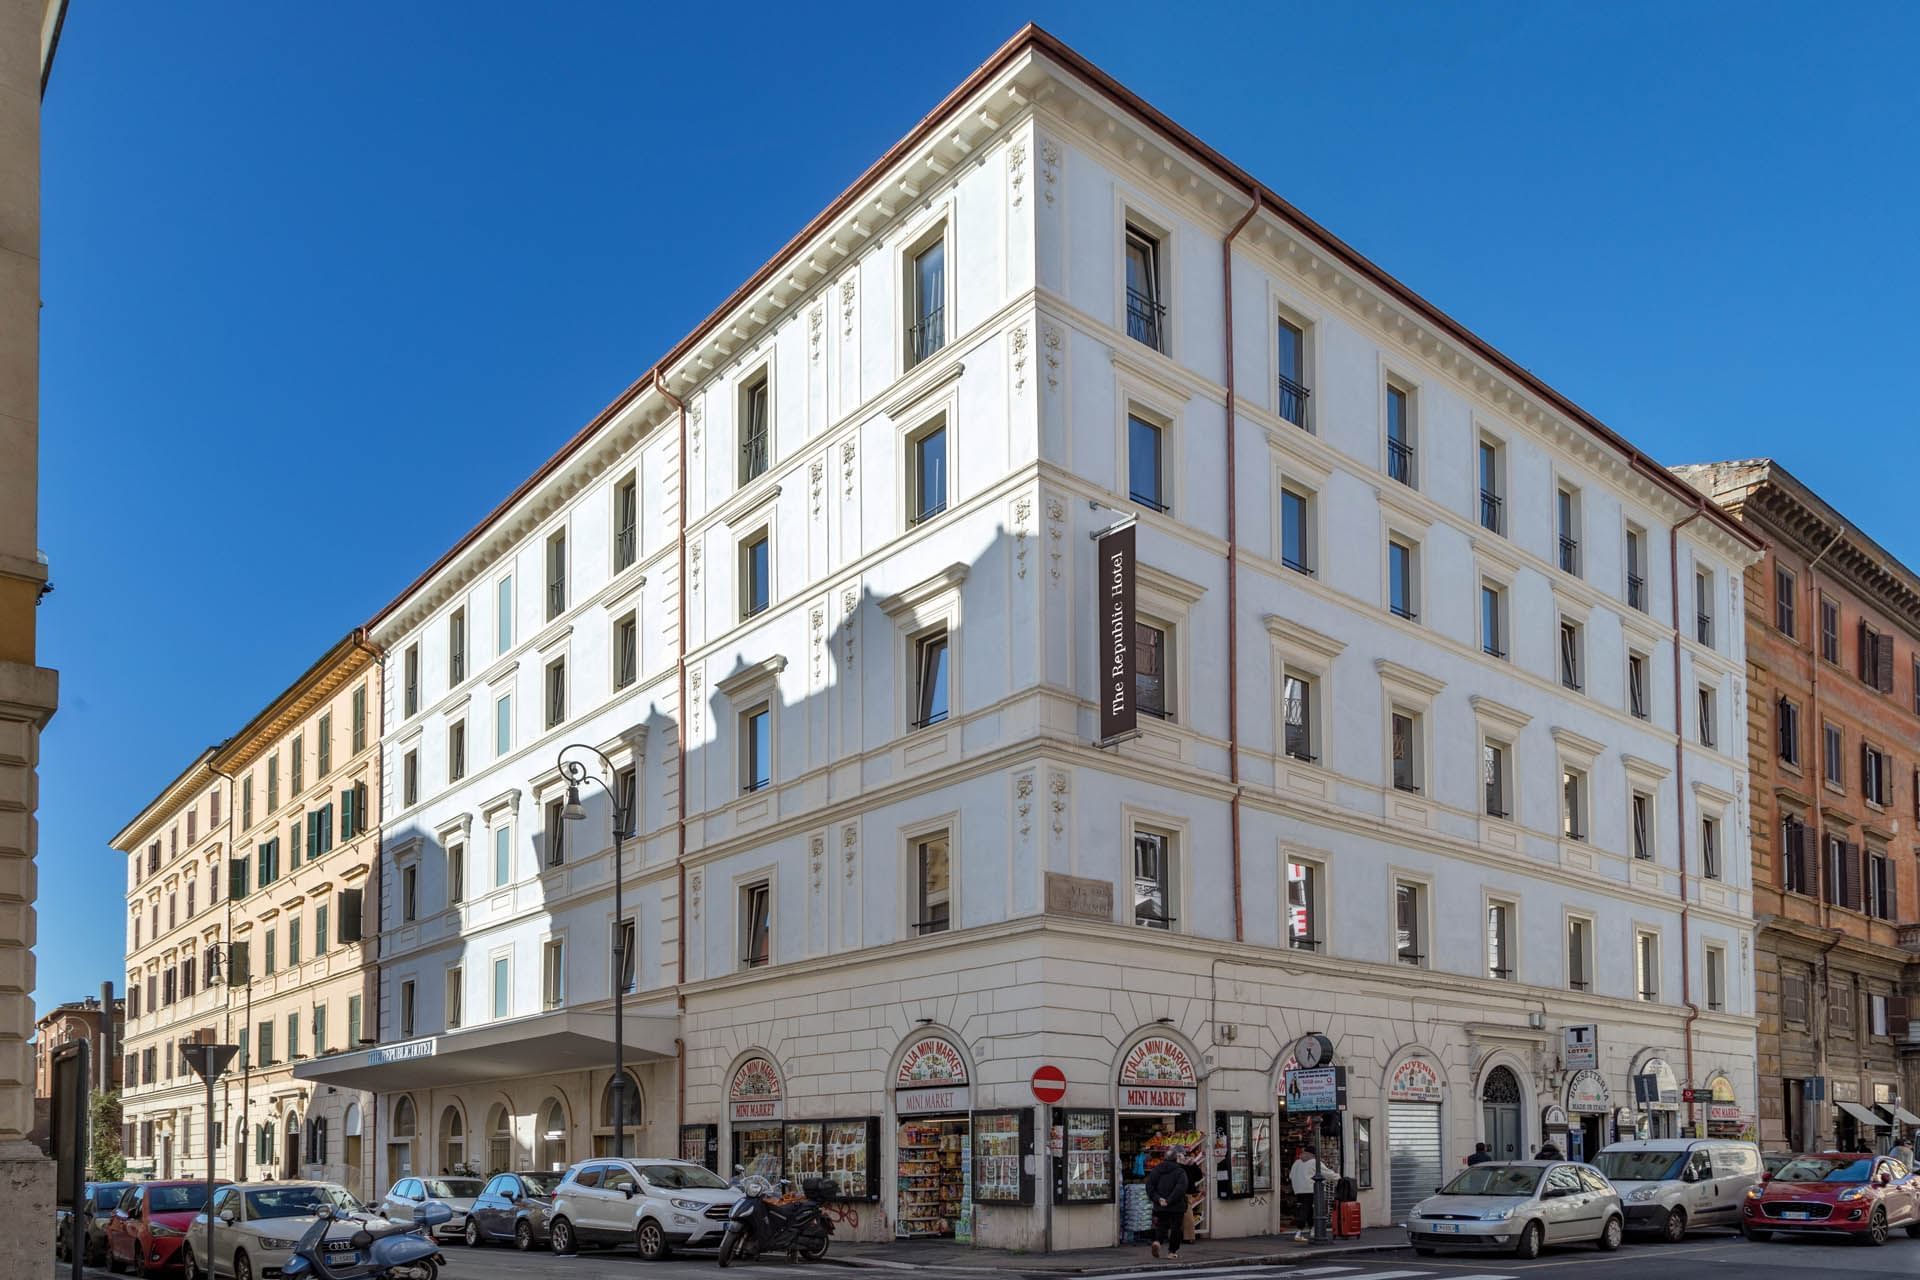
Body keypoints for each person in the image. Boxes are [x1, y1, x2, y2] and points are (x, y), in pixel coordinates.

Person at [1144, 1146, 1189, 1259]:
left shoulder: (1156, 1170)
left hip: (1160, 1205)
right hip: (1176, 1205)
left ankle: (1157, 1242)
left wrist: (1158, 1199)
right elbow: (1180, 1188)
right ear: (1175, 1159)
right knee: (1175, 1228)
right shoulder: (1180, 1171)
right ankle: (1172, 1252)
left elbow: (1149, 1186)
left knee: (1161, 1225)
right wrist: (1169, 1200)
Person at [1289, 1146, 1318, 1241]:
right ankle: (1299, 1233)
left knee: (1307, 1210)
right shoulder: (1314, 1162)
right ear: (1313, 1154)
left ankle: (1312, 1230)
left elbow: (1290, 1176)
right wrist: (1339, 1178)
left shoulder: (1296, 1162)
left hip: (1298, 1190)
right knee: (1306, 1211)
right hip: (1310, 1189)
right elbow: (1327, 1173)